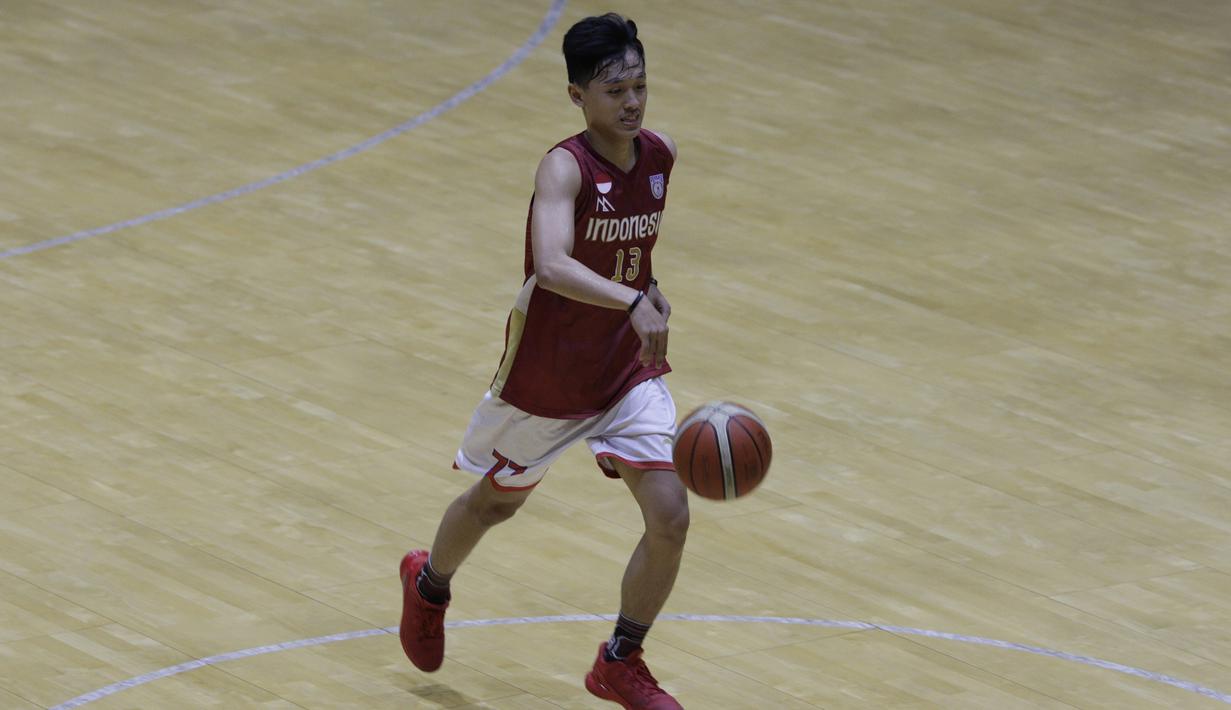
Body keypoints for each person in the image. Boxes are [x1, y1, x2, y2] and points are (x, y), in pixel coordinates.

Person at [398, 12, 688, 710]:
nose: (631, 101)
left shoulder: (659, 155)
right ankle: (428, 584)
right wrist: (630, 299)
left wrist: (648, 294)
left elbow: (628, 257)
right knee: (495, 505)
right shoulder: (563, 166)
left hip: (623, 370)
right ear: (576, 96)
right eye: (614, 89)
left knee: (670, 514)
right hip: (550, 373)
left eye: (640, 85)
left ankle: (620, 660)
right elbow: (555, 265)